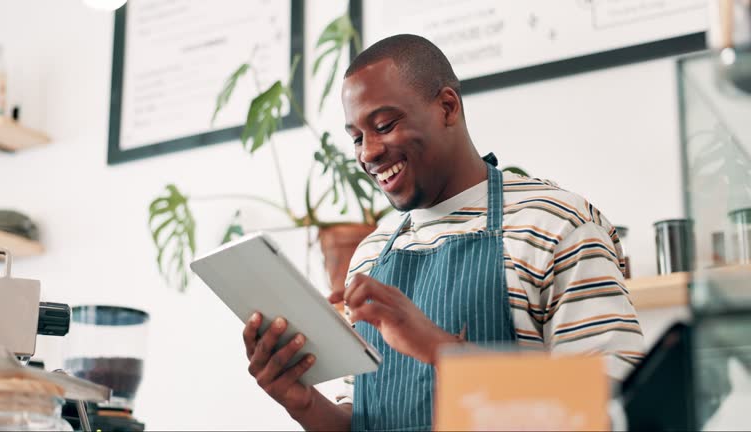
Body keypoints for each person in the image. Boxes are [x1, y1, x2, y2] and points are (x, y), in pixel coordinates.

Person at [241, 34, 644, 431]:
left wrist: (441, 350)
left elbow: (613, 411)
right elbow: (364, 420)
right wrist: (304, 404)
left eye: (384, 125)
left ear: (447, 107)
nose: (368, 152)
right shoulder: (371, 255)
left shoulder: (555, 225)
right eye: (357, 138)